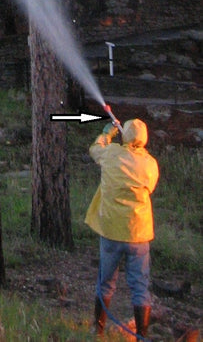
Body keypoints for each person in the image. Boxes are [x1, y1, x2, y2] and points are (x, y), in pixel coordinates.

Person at [85, 118, 159, 339]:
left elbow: (95, 149)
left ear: (124, 134)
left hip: (111, 231)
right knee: (139, 286)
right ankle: (142, 335)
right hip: (138, 234)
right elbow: (150, 188)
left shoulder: (111, 154)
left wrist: (107, 134)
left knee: (105, 281)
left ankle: (97, 329)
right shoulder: (150, 164)